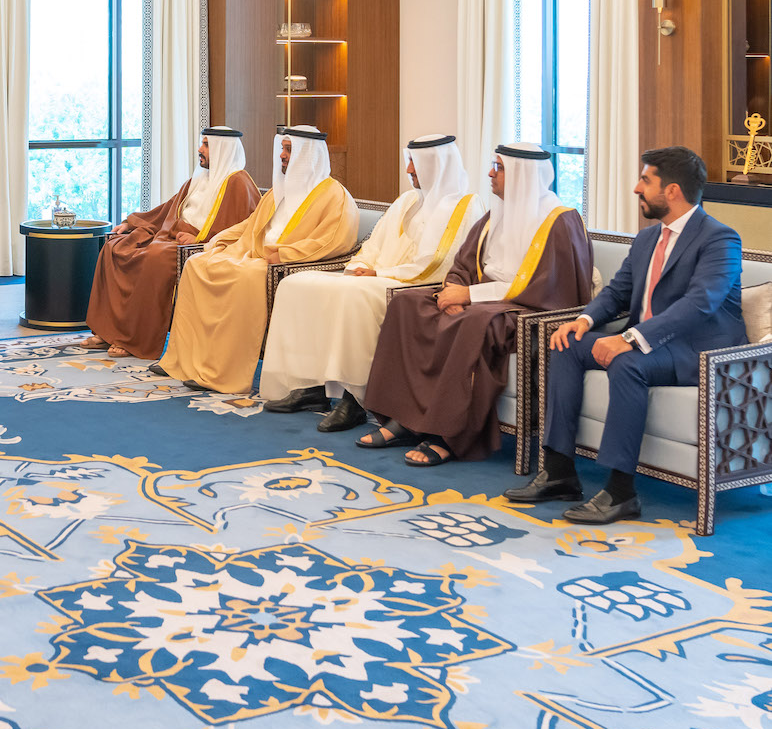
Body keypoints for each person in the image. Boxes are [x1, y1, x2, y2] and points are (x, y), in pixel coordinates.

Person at [507, 146, 744, 523]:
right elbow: (618, 292)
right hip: (649, 344)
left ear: (672, 191)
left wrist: (630, 339)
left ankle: (621, 493)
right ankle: (559, 472)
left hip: (696, 353)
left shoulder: (720, 239)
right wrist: (584, 321)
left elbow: (700, 304)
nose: (636, 188)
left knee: (627, 362)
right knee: (566, 344)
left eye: (645, 180)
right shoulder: (648, 238)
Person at [359, 142, 592, 465]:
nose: (490, 174)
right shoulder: (495, 214)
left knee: (471, 322)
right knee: (407, 305)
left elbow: (548, 289)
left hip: (526, 311)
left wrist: (470, 297)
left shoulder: (561, 221)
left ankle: (448, 435)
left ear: (523, 175)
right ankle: (404, 419)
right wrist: (455, 288)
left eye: (499, 168)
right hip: (482, 301)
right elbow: (464, 262)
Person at [260, 134, 481, 431]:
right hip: (378, 277)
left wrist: (379, 274)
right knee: (295, 285)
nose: (409, 170)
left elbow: (440, 262)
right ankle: (309, 387)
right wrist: (362, 266)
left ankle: (355, 399)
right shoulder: (407, 201)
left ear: (436, 165)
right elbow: (373, 244)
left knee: (355, 295)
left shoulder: (465, 206)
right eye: (409, 161)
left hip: (415, 285)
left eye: (415, 163)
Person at [159, 125, 359, 394]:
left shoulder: (335, 196)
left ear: (308, 155)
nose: (282, 155)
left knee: (242, 277)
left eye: (289, 150)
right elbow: (250, 224)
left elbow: (333, 240)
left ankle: (222, 371)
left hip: (278, 264)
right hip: (251, 253)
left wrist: (285, 255)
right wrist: (216, 241)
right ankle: (186, 361)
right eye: (283, 149)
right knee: (197, 264)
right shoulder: (279, 191)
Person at [82, 126, 260, 359]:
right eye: (202, 143)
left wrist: (202, 239)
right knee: (115, 246)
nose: (200, 149)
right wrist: (131, 223)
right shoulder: (199, 178)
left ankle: (133, 339)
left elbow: (240, 228)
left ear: (222, 149)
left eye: (206, 145)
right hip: (171, 236)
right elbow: (168, 209)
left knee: (154, 258)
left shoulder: (238, 183)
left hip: (196, 246)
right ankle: (108, 332)